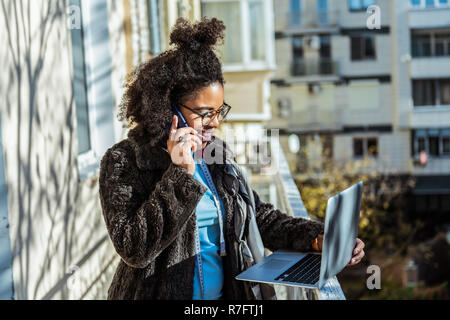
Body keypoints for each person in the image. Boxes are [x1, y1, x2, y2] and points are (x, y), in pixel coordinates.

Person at [98, 17, 365, 300]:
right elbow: (134, 247)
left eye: (219, 111)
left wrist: (317, 237)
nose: (214, 123)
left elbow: (258, 216)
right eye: (205, 114)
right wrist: (179, 175)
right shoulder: (124, 161)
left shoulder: (215, 154)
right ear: (169, 109)